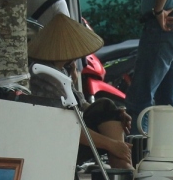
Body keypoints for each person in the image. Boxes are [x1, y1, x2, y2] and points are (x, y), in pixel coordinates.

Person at [28, 14, 133, 169]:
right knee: (105, 109)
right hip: (56, 139)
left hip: (70, 132)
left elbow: (82, 106)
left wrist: (118, 114)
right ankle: (124, 167)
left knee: (106, 106)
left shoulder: (62, 70)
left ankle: (123, 167)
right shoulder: (44, 74)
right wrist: (112, 145)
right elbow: (67, 123)